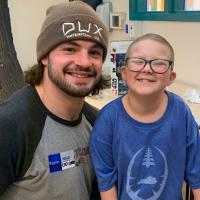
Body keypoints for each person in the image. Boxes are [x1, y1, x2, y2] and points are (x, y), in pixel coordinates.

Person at [0, 1, 108, 200]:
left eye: (94, 52)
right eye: (70, 49)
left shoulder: (98, 123)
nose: (84, 62)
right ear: (44, 57)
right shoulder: (10, 127)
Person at [90, 33, 200, 200]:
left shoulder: (181, 112)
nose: (147, 68)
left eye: (159, 63)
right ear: (124, 73)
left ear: (171, 77)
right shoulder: (107, 120)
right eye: (138, 61)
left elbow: (196, 172)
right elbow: (106, 181)